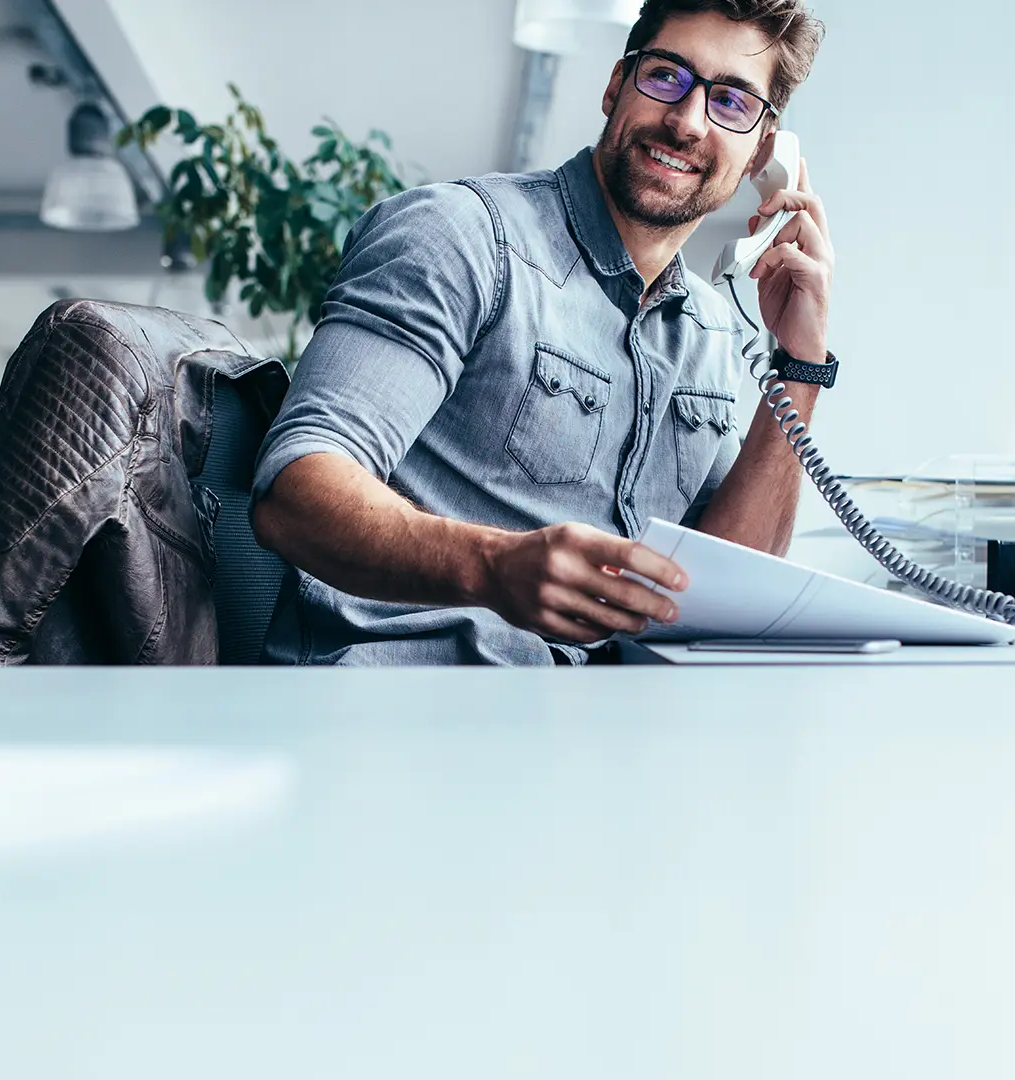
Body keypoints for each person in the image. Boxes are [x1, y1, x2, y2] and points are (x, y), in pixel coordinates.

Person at [251, 0, 831, 665]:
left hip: (605, 737)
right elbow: (295, 492)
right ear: (616, 85)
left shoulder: (713, 334)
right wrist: (493, 567)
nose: (686, 121)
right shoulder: (458, 237)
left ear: (764, 149)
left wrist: (800, 361)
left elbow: (726, 589)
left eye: (730, 102)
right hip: (405, 713)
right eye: (666, 76)